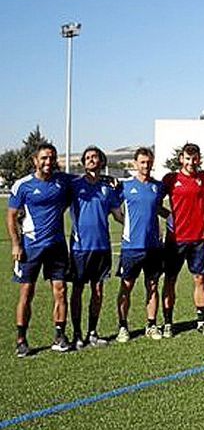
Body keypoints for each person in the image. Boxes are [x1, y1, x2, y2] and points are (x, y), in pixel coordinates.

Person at [7, 143, 73, 357]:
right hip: (30, 247)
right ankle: (21, 340)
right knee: (27, 293)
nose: (48, 162)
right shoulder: (23, 185)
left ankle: (59, 336)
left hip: (56, 246)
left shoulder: (63, 181)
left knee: (61, 290)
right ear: (35, 160)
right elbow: (11, 216)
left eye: (52, 158)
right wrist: (16, 244)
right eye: (44, 158)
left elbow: (86, 182)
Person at [68, 146, 122, 349]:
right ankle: (76, 334)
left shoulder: (108, 188)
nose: (92, 160)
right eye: (88, 157)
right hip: (80, 248)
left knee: (98, 290)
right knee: (78, 290)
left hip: (102, 247)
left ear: (102, 161)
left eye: (95, 157)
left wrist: (137, 226)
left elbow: (118, 216)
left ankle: (92, 332)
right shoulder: (74, 185)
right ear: (83, 162)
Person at [161, 143, 204, 337]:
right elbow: (155, 202)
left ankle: (201, 320)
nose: (191, 162)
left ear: (199, 159)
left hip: (199, 238)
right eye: (188, 158)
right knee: (170, 280)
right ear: (181, 159)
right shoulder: (170, 179)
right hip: (176, 239)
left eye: (195, 158)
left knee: (200, 279)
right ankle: (168, 322)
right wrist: (168, 216)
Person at [116, 147, 167, 343]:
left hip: (154, 246)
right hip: (131, 247)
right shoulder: (125, 186)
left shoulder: (158, 187)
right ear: (135, 164)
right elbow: (116, 211)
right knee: (126, 286)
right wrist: (128, 225)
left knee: (152, 286)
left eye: (149, 162)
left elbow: (158, 208)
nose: (146, 166)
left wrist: (172, 217)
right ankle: (123, 326)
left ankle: (151, 324)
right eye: (142, 162)